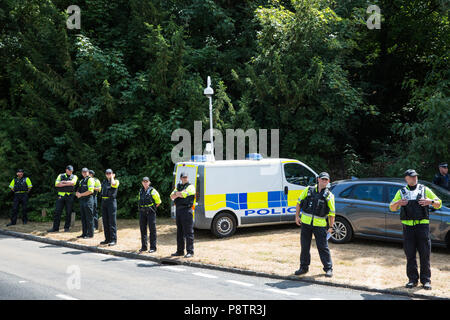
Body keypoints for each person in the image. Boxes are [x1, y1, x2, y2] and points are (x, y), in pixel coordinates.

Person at [389, 169, 442, 290]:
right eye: (412, 177)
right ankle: (412, 280)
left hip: (422, 227)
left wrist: (431, 201)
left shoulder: (424, 189)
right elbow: (391, 207)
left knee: (425, 254)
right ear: (406, 179)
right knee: (410, 255)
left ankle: (426, 281)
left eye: (415, 176)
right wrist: (398, 202)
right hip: (408, 228)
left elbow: (439, 203)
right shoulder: (401, 192)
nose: (414, 178)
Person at [294, 172, 335, 278]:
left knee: (323, 247)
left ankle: (328, 268)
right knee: (305, 247)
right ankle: (303, 268)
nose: (324, 181)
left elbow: (332, 213)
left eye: (326, 180)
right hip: (306, 224)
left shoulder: (329, 195)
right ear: (318, 179)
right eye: (322, 179)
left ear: (328, 181)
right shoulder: (308, 190)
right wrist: (297, 216)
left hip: (320, 225)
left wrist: (331, 227)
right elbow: (299, 203)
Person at [170, 172, 196, 258]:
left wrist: (178, 193)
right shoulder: (178, 186)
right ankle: (180, 251)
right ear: (180, 178)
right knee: (179, 232)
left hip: (187, 210)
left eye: (186, 177)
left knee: (188, 232)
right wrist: (179, 193)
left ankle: (190, 252)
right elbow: (172, 197)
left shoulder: (191, 186)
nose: (185, 179)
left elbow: (182, 195)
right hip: (179, 210)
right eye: (183, 177)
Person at [48, 165, 78, 232]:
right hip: (60, 196)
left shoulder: (74, 176)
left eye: (71, 171)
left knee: (68, 212)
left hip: (69, 196)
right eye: (69, 170)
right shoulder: (60, 175)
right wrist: (67, 183)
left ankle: (66, 228)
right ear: (66, 170)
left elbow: (73, 183)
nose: (71, 172)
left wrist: (63, 182)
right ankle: (55, 228)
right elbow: (56, 184)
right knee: (57, 212)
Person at [138, 177, 161, 253]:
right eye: (144, 181)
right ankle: (144, 247)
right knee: (143, 230)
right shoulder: (141, 191)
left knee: (152, 230)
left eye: (146, 181)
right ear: (142, 182)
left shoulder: (153, 191)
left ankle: (153, 248)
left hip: (150, 213)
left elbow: (158, 202)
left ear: (149, 182)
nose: (145, 183)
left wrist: (151, 208)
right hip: (142, 212)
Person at [100, 169, 119, 246]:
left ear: (113, 174)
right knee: (105, 221)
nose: (108, 174)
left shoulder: (116, 181)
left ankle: (113, 240)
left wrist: (112, 178)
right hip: (104, 202)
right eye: (107, 173)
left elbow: (113, 184)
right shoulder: (104, 182)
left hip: (111, 202)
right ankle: (107, 239)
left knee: (112, 222)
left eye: (110, 173)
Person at [75, 168, 96, 238]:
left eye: (85, 172)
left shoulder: (90, 179)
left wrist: (80, 195)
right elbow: (78, 189)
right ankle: (84, 233)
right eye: (83, 172)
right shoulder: (81, 181)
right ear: (82, 173)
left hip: (88, 200)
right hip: (82, 200)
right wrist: (77, 193)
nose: (84, 173)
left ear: (88, 172)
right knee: (83, 218)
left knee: (89, 218)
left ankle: (90, 234)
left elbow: (91, 191)